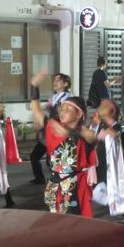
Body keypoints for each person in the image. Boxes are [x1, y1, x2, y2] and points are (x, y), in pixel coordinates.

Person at [30, 70, 97, 216]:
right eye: (62, 109)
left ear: (79, 114)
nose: (62, 112)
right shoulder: (55, 128)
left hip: (74, 185)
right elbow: (36, 110)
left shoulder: (85, 132)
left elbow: (92, 138)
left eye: (67, 109)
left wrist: (71, 131)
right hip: (54, 183)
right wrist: (34, 87)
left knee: (75, 222)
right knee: (54, 220)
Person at [91, 99, 124, 225]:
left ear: (112, 111)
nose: (101, 105)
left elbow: (115, 134)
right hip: (97, 163)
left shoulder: (113, 124)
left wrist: (103, 124)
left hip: (108, 165)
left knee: (114, 190)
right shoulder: (96, 124)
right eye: (101, 104)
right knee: (93, 189)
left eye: (105, 104)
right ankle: (116, 205)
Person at [29, 73, 72, 184]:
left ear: (65, 84)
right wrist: (38, 117)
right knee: (35, 156)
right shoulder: (53, 97)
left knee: (53, 162)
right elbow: (45, 110)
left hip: (58, 134)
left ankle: (61, 184)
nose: (55, 82)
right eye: (54, 80)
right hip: (49, 133)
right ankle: (40, 178)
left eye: (58, 80)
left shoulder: (67, 98)